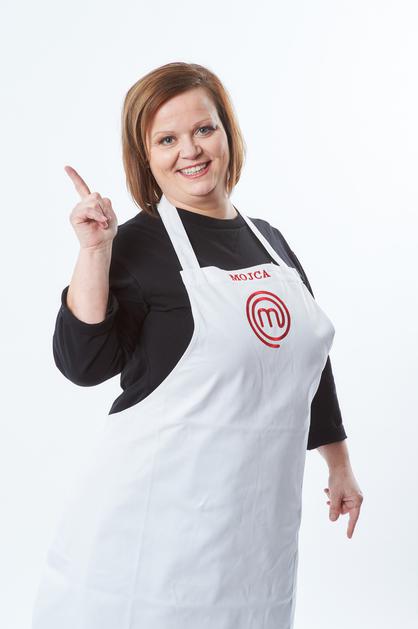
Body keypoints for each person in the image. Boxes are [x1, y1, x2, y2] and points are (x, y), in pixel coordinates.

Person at [32, 62, 363, 629]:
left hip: (254, 535)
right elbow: (84, 364)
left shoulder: (270, 241)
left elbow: (307, 360)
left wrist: (339, 463)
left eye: (203, 129)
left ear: (227, 133)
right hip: (154, 535)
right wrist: (94, 252)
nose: (190, 150)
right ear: (145, 157)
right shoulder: (133, 245)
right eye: (167, 139)